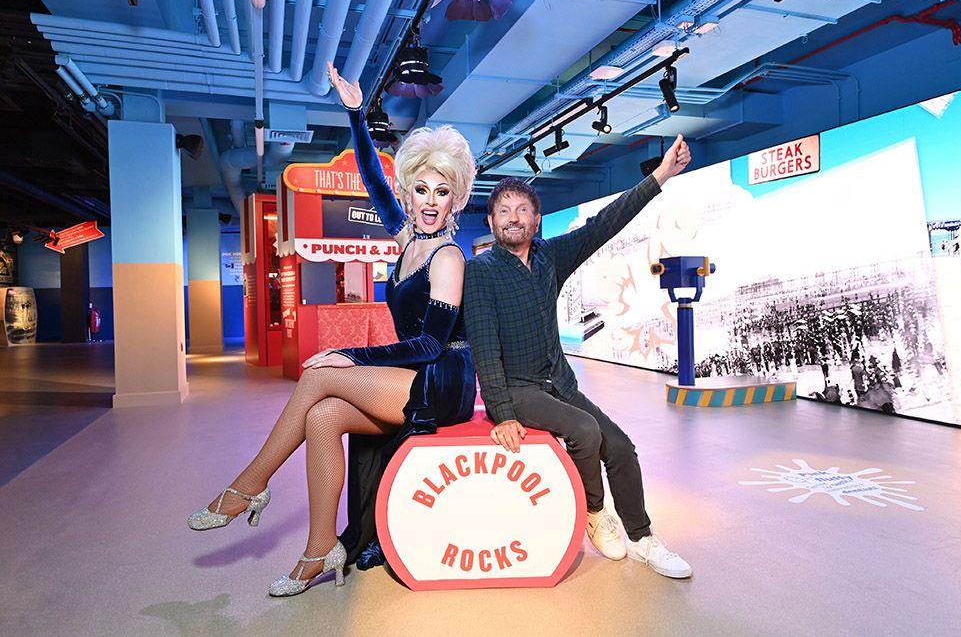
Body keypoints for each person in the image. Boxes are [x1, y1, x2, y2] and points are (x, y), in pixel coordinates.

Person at [187, 62, 476, 597]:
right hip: (408, 374)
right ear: (409, 194)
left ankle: (249, 486)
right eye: (421, 190)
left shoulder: (447, 257)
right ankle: (320, 550)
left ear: (454, 199)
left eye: (442, 192)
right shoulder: (405, 236)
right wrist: (355, 113)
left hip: (441, 380)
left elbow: (433, 343)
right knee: (321, 418)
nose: (430, 202)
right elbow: (370, 175)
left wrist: (351, 356)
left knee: (320, 374)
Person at [463, 136, 693, 578]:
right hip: (518, 389)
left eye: (523, 210)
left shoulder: (551, 256)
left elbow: (607, 222)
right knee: (585, 431)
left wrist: (660, 175)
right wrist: (503, 413)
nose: (514, 218)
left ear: (537, 219)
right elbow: (484, 346)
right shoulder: (481, 272)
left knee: (622, 448)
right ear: (491, 221)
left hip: (559, 384)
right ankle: (594, 510)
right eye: (504, 211)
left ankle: (643, 538)